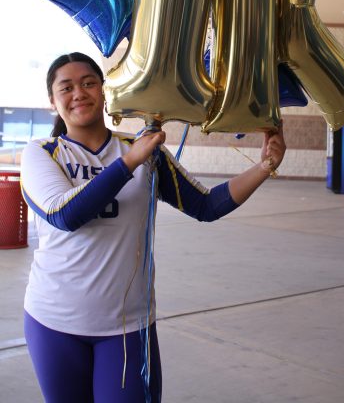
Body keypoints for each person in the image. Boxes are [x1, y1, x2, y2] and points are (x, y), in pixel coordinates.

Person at [21, 51, 286, 403]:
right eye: (66, 87)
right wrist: (130, 161)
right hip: (53, 321)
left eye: (88, 83)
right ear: (53, 101)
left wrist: (265, 165)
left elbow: (206, 205)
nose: (79, 93)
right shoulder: (42, 152)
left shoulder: (144, 151)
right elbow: (65, 215)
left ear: (105, 92)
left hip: (127, 327)